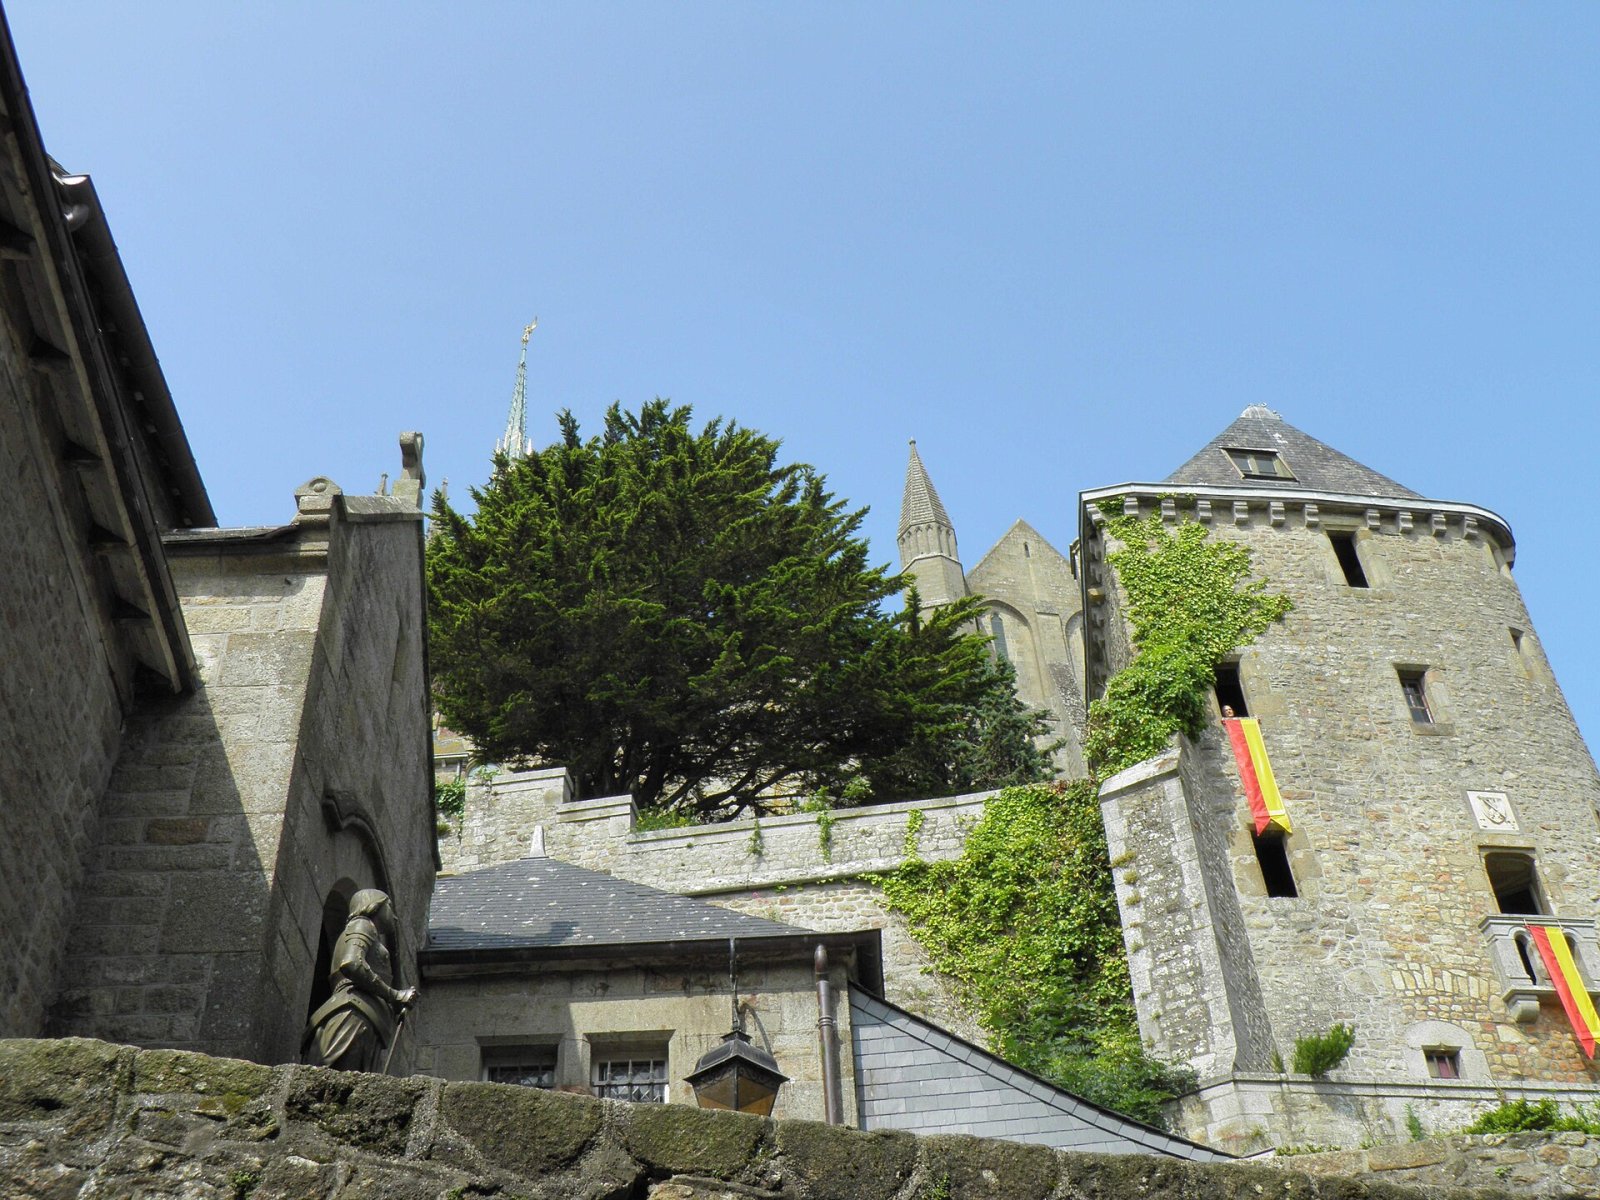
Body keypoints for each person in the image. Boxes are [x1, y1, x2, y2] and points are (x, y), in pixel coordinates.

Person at [304, 889, 417, 1072]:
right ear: (374, 905)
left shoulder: (366, 929)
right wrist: (394, 995)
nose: (395, 917)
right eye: (389, 906)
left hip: (363, 1014)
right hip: (353, 1012)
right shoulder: (362, 924)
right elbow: (352, 963)